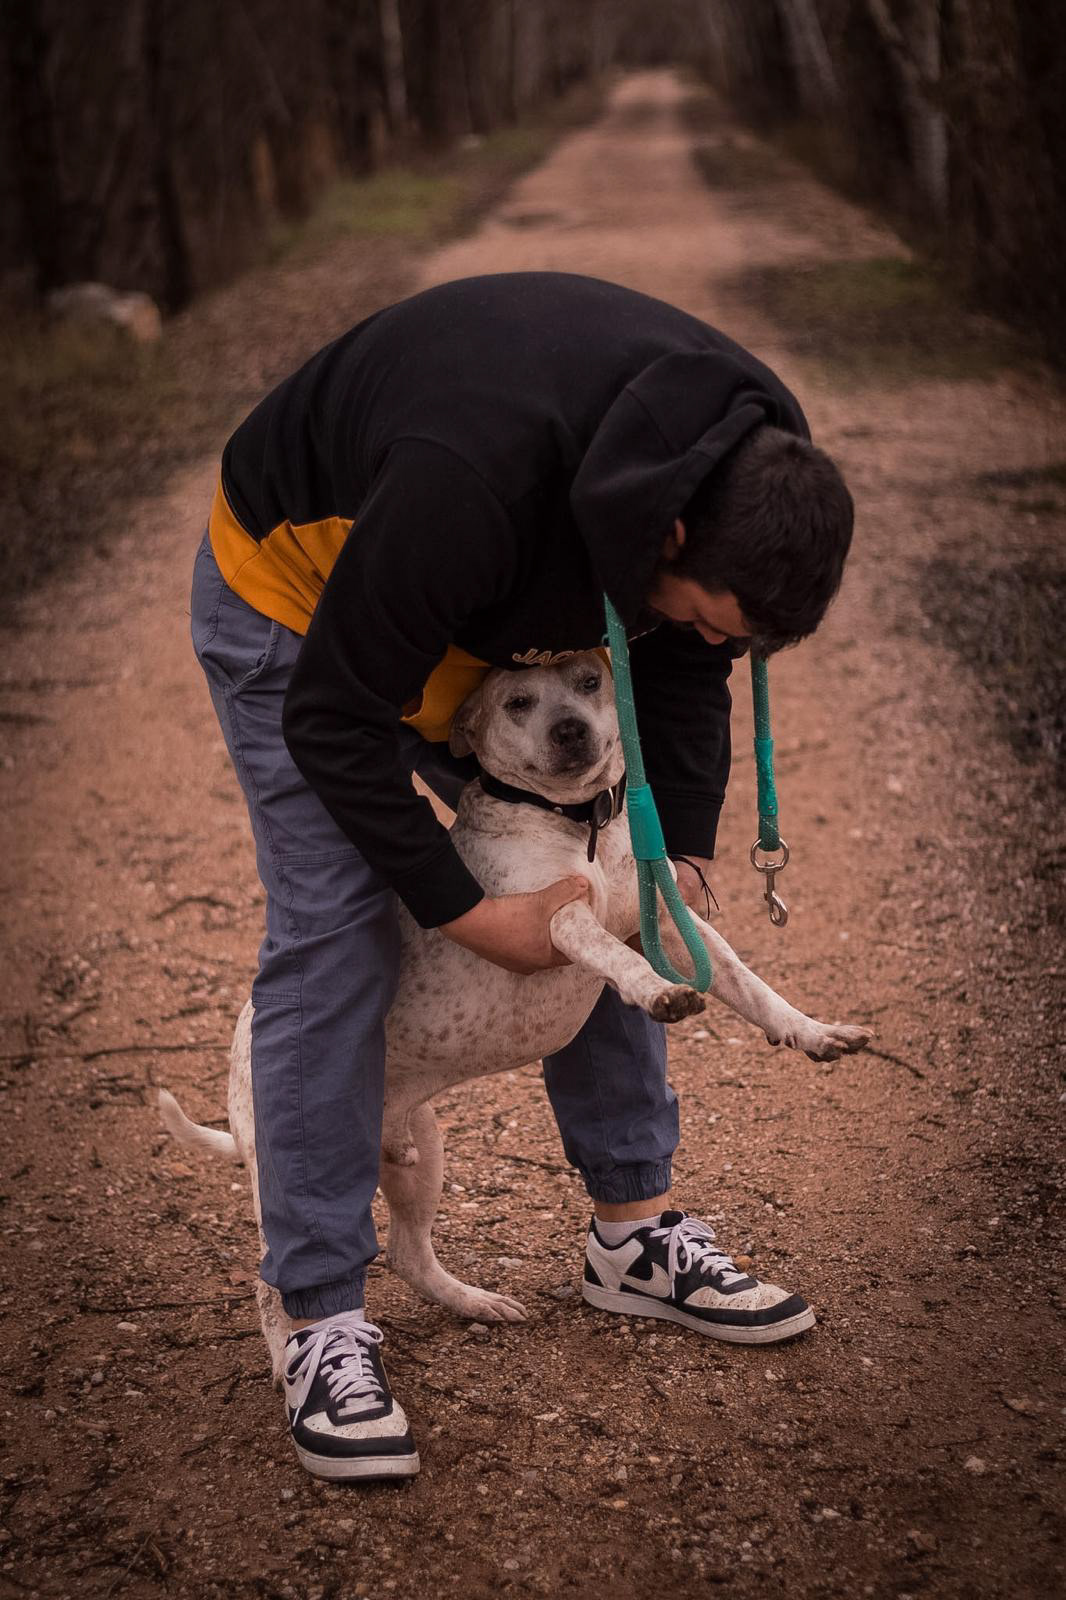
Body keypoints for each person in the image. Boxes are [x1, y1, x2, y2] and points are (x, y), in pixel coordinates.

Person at [190, 271, 853, 1481]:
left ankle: (631, 1237)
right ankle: (315, 1308)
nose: (719, 644)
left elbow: (684, 661)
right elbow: (335, 717)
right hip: (305, 604)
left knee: (612, 867)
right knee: (338, 927)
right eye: (716, 616)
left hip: (485, 607)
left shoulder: (751, 468)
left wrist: (678, 858)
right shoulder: (471, 480)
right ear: (669, 536)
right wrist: (466, 911)